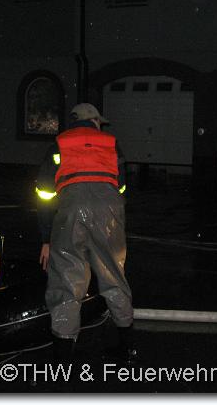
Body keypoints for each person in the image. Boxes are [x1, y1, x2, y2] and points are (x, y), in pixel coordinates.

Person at [35, 102, 135, 361]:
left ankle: (63, 356)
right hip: (108, 213)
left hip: (71, 211)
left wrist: (46, 238)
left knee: (67, 279)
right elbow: (121, 187)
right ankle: (127, 349)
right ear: (95, 121)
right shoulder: (111, 144)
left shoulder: (59, 144)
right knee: (114, 275)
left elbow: (44, 194)